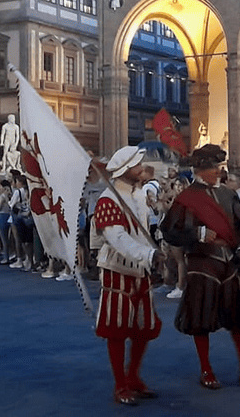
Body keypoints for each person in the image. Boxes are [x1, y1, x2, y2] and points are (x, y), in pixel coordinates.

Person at [160, 144, 240, 390]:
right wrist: (196, 232)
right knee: (200, 318)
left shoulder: (229, 194)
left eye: (219, 167)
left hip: (230, 262)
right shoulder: (186, 198)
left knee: (238, 318)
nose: (218, 171)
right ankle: (206, 369)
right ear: (200, 169)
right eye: (214, 167)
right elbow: (169, 232)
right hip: (202, 262)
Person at [92, 146, 164, 405]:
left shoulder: (138, 195)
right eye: (137, 166)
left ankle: (133, 376)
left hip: (141, 270)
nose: (142, 169)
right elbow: (117, 238)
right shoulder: (107, 200)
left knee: (143, 328)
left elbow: (143, 231)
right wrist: (149, 255)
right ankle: (120, 384)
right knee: (117, 330)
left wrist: (153, 253)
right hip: (117, 271)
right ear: (125, 171)